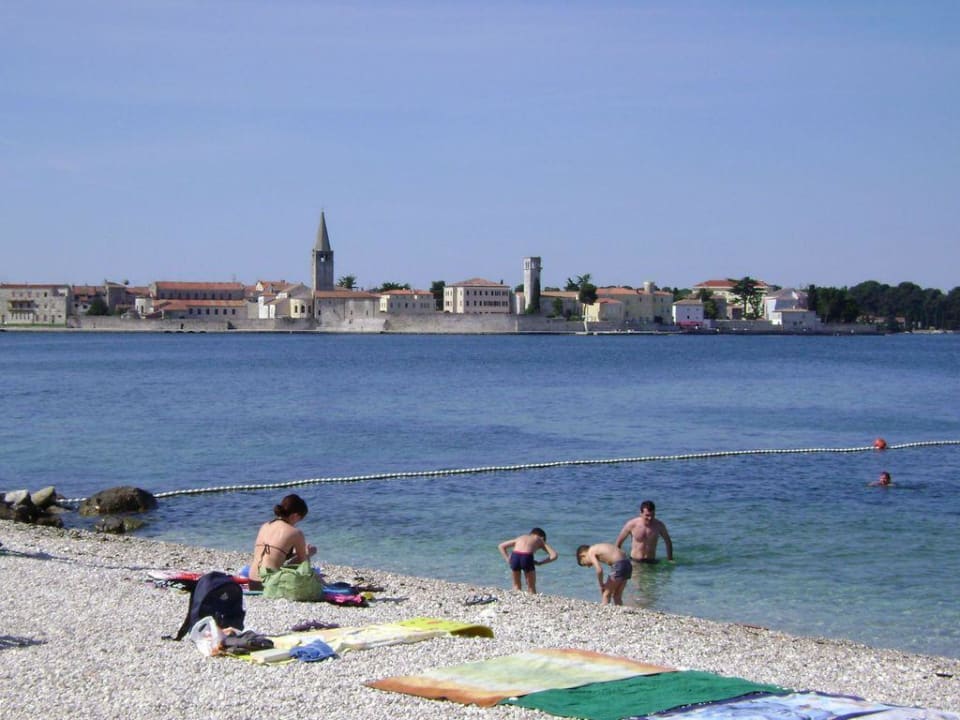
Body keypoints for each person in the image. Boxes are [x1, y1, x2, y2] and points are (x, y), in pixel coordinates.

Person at [248, 493, 317, 590]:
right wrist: (308, 554)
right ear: (295, 516)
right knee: (305, 565)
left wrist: (293, 554)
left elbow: (273, 554)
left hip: (252, 582)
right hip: (268, 584)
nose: (297, 523)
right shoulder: (295, 532)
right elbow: (303, 564)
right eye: (299, 519)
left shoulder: (265, 526)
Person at [497, 527, 558, 594]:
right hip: (526, 557)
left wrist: (508, 559)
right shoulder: (540, 539)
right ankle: (533, 600)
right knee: (531, 587)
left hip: (515, 556)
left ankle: (516, 599)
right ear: (542, 537)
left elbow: (501, 546)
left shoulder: (521, 537)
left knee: (516, 585)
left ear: (531, 533)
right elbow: (554, 555)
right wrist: (540, 563)